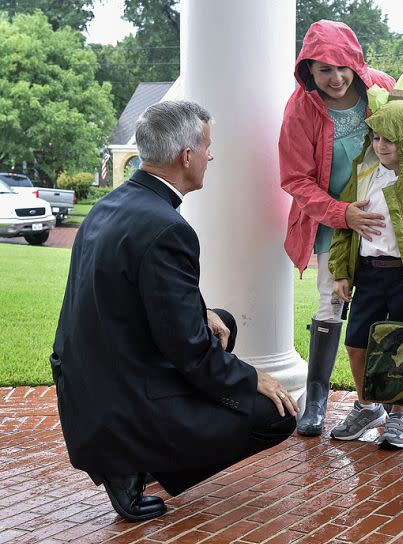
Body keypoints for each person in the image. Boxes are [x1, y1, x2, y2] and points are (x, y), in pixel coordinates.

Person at [50, 101, 298, 522]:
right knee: (275, 415)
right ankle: (133, 467)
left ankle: (151, 448)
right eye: (207, 147)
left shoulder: (109, 207)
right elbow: (188, 351)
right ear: (187, 156)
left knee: (224, 322)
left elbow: (133, 285)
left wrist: (202, 310)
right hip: (122, 398)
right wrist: (252, 377)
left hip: (90, 378)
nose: (211, 156)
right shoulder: (168, 227)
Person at [278, 20, 403, 435]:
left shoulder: (381, 88)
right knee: (333, 306)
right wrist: (343, 213)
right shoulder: (300, 109)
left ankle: (399, 398)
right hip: (335, 224)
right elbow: (295, 179)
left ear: (357, 62)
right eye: (324, 69)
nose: (336, 77)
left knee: (402, 307)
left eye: (343, 66)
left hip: (392, 223)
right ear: (308, 68)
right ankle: (319, 400)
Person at [328, 98, 403, 448]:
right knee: (356, 343)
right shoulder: (364, 175)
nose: (380, 146)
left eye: (389, 140)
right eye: (376, 138)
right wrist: (340, 273)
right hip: (367, 274)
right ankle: (368, 407)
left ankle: (398, 414)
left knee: (402, 349)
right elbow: (344, 229)